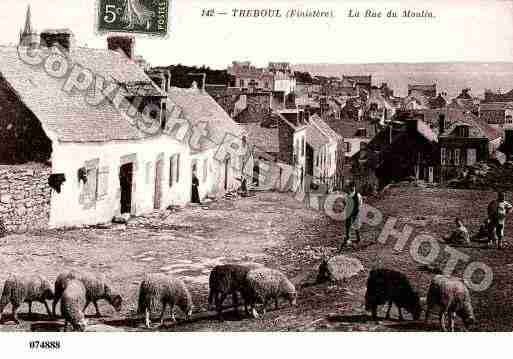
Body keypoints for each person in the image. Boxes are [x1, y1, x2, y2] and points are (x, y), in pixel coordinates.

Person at [339, 181, 362, 251]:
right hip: (348, 212)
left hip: (355, 212)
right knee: (347, 225)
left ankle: (358, 238)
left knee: (356, 225)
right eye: (350, 187)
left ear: (354, 187)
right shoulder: (347, 195)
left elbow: (359, 204)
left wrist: (356, 211)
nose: (351, 188)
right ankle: (348, 237)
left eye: (353, 187)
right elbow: (344, 202)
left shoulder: (357, 195)